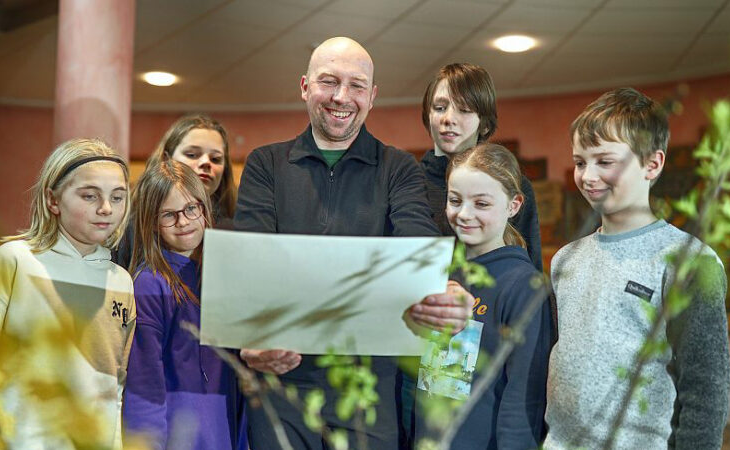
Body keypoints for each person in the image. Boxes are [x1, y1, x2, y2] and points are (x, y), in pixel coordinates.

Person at [234, 36, 445, 449]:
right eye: (328, 82)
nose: (341, 97)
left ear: (373, 96)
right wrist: (250, 342)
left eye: (356, 85)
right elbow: (252, 259)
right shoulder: (266, 164)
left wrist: (441, 282)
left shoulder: (398, 167)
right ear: (304, 87)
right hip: (281, 382)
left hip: (367, 387)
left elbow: (418, 249)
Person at [544, 87, 730, 449]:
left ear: (652, 164)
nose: (588, 176)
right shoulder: (565, 259)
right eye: (580, 162)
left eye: (605, 161)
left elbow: (706, 389)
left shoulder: (689, 260)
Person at [0, 138, 136, 448]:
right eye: (89, 195)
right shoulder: (14, 261)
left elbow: (116, 390)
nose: (106, 208)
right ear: (52, 200)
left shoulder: (121, 281)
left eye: (118, 196)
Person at [413, 143, 552, 449]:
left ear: (514, 205)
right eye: (455, 200)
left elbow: (523, 398)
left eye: (482, 204)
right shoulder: (441, 273)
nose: (464, 214)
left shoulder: (523, 285)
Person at [123, 159, 246, 449]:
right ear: (151, 221)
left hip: (226, 429)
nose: (183, 222)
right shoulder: (148, 283)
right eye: (168, 215)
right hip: (179, 435)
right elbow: (144, 382)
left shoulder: (226, 274)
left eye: (191, 208)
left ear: (204, 207)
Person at [419, 63, 542, 270]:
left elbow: (531, 266)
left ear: (484, 123)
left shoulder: (513, 184)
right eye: (439, 108)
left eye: (464, 110)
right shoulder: (409, 181)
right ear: (428, 116)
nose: (448, 119)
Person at [114, 114, 236, 267]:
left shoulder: (234, 227)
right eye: (192, 154)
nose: (206, 163)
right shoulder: (129, 226)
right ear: (166, 158)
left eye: (216, 159)